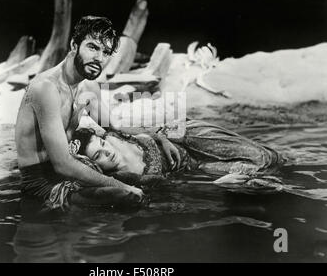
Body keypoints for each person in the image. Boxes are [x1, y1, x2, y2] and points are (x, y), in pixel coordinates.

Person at [15, 16, 180, 210]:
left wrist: (159, 137)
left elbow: (115, 127)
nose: (99, 58)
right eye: (93, 47)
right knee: (128, 195)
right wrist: (123, 186)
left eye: (106, 52)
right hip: (42, 186)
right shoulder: (46, 89)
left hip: (69, 175)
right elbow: (62, 164)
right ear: (74, 45)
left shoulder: (87, 86)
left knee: (146, 182)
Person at [71, 120, 286, 186]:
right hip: (194, 166)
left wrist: (161, 138)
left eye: (101, 144)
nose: (106, 151)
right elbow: (175, 188)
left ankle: (290, 156)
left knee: (264, 157)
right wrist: (217, 184)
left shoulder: (110, 136)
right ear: (95, 166)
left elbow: (137, 129)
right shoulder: (127, 179)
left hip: (185, 134)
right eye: (98, 155)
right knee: (254, 173)